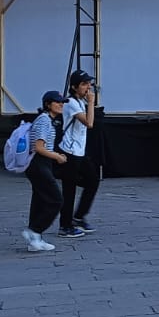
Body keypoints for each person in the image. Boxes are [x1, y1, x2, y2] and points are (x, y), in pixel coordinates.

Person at [20, 91, 67, 252]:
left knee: (40, 199)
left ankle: (35, 239)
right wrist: (57, 157)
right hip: (38, 164)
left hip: (42, 164)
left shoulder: (48, 121)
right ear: (48, 104)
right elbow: (39, 148)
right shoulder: (44, 121)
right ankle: (34, 230)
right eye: (57, 102)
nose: (61, 104)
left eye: (62, 102)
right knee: (56, 199)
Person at [56, 72, 99, 236]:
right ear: (74, 87)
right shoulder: (71, 103)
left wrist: (89, 103)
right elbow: (89, 123)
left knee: (93, 180)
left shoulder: (81, 101)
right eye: (84, 84)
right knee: (69, 189)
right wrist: (92, 103)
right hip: (69, 151)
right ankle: (65, 225)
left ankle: (79, 217)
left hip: (79, 151)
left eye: (89, 84)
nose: (88, 87)